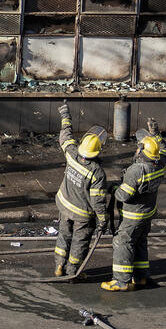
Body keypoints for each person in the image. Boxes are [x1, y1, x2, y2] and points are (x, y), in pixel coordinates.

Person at [102, 118, 166, 292]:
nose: (137, 147)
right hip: (148, 213)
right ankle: (140, 277)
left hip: (133, 215)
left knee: (122, 242)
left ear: (142, 151)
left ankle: (121, 281)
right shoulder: (159, 163)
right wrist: (155, 134)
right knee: (140, 242)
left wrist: (114, 187)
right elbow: (165, 151)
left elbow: (123, 195)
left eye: (139, 146)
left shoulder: (137, 171)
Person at [53, 102, 108, 277]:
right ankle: (72, 271)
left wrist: (65, 116)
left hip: (64, 205)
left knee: (63, 235)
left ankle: (59, 265)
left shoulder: (71, 153)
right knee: (79, 242)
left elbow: (65, 136)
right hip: (83, 215)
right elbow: (98, 201)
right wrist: (103, 220)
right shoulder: (97, 173)